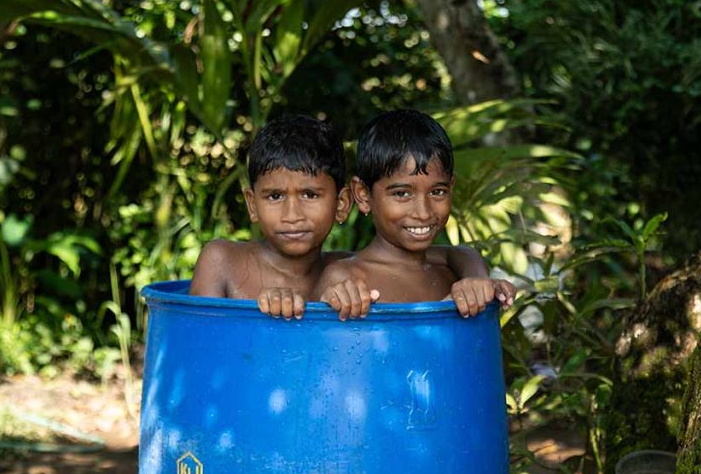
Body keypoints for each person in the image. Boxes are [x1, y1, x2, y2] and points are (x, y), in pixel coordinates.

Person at [189, 113, 502, 321]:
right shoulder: (222, 259)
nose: (292, 215)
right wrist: (266, 312)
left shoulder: (344, 268)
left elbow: (449, 254)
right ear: (252, 203)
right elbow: (197, 353)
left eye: (310, 195)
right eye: (275, 196)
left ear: (343, 204)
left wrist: (476, 276)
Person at [312, 109, 515, 320]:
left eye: (437, 192)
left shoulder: (451, 273)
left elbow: (461, 253)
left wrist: (478, 282)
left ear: (451, 187)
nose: (423, 212)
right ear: (363, 195)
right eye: (401, 194)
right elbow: (316, 347)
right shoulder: (346, 279)